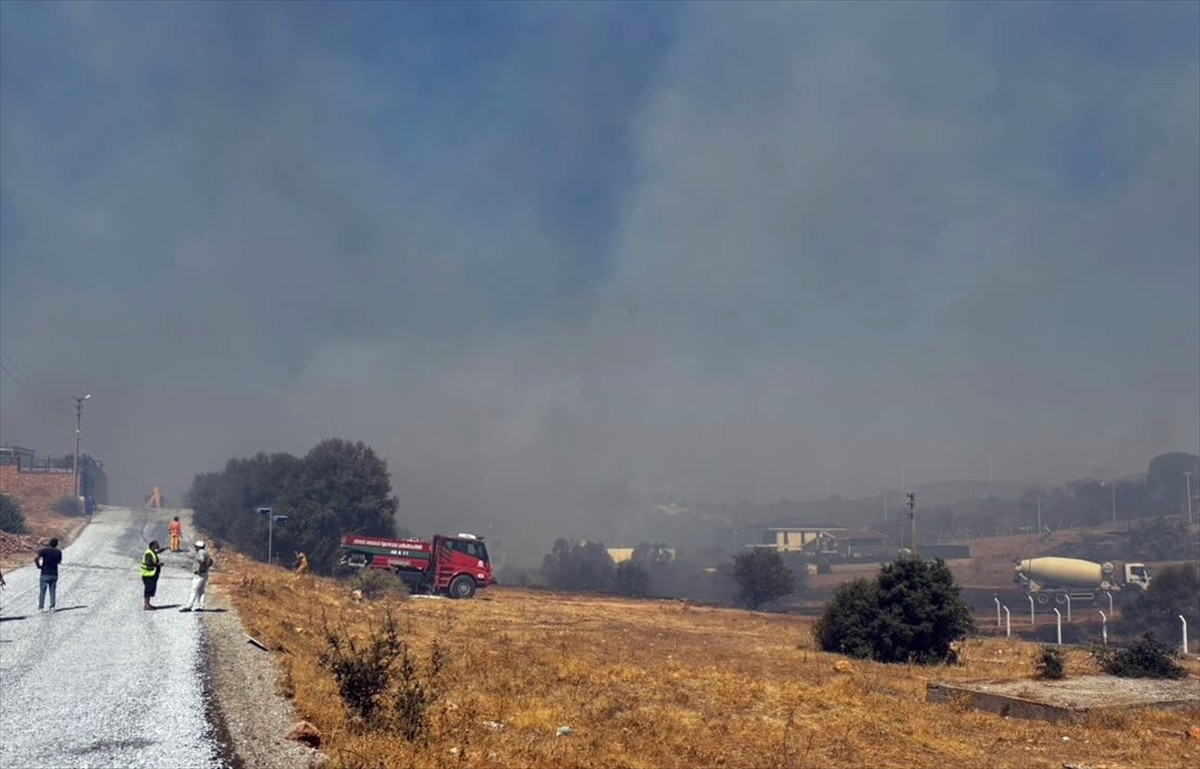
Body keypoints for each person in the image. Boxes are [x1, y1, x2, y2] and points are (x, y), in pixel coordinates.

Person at [180, 541, 214, 612]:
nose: (195, 548)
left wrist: (200, 569)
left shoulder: (200, 552)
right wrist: (206, 568)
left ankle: (189, 606)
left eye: (196, 546)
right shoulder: (206, 552)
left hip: (199, 575)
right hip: (205, 574)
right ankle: (201, 606)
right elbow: (211, 562)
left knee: (194, 590)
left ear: (198, 547)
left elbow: (202, 560)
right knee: (201, 591)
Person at [35, 537, 63, 612]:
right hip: (54, 573)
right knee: (52, 591)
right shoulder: (58, 552)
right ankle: (52, 606)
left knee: (42, 591)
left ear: (49, 543)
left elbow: (36, 558)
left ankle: (41, 607)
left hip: (44, 573)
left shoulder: (44, 551)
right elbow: (59, 562)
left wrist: (38, 565)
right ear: (56, 544)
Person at [141, 540, 167, 610]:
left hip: (151, 574)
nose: (158, 547)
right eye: (156, 546)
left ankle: (148, 604)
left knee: (151, 589)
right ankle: (146, 605)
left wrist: (166, 548)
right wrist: (158, 564)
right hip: (148, 575)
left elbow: (158, 551)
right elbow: (148, 562)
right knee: (148, 589)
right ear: (152, 546)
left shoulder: (152, 552)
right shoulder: (148, 554)